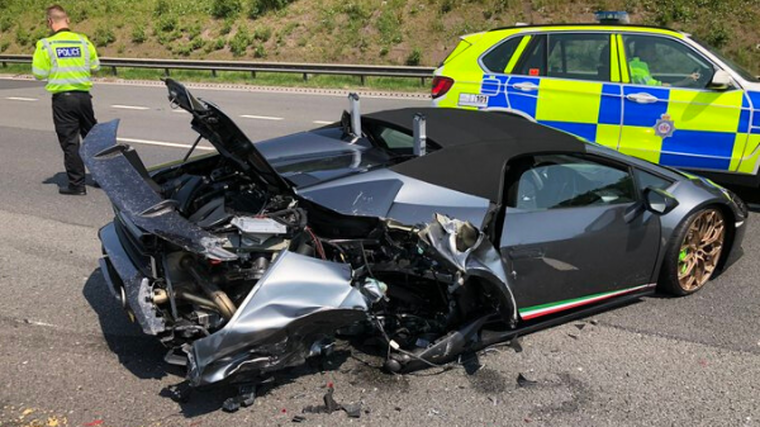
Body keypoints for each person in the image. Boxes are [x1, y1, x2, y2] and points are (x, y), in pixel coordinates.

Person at [32, 4, 100, 195]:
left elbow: (39, 73)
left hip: (63, 100)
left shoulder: (45, 44)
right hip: (84, 98)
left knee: (71, 142)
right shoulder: (83, 41)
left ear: (49, 22)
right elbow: (95, 66)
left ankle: (77, 185)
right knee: (93, 139)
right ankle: (105, 179)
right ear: (67, 20)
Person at [628, 40, 700, 87]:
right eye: (651, 50)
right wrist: (684, 82)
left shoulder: (640, 64)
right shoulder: (637, 67)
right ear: (640, 52)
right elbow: (658, 87)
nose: (655, 53)